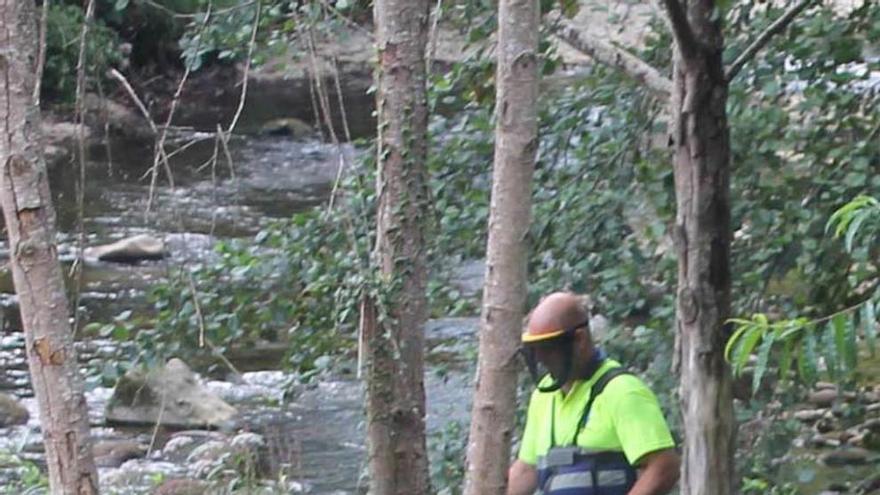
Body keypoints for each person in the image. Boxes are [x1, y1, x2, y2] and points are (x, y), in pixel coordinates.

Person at [507, 292, 680, 495]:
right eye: (536, 350)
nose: (542, 359)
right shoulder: (544, 396)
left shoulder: (622, 391)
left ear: (579, 339)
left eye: (548, 349)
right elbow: (527, 469)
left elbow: (664, 467)